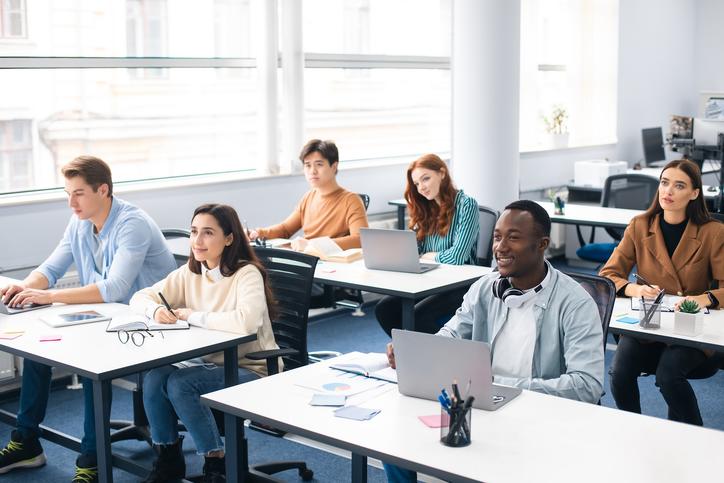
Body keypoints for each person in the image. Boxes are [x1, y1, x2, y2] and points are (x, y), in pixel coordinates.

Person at [384, 200, 604, 483]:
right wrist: (417, 354)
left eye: (513, 237)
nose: (500, 246)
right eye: (497, 236)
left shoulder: (574, 303)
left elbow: (587, 385)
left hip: (541, 417)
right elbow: (451, 335)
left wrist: (501, 387)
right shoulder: (485, 288)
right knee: (396, 447)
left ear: (542, 244)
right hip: (483, 407)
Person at [0, 155, 176, 482]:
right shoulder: (79, 222)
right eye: (67, 193)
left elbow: (116, 287)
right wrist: (21, 288)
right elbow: (50, 269)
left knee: (92, 363)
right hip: (106, 319)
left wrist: (48, 296)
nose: (71, 202)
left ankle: (91, 458)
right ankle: (27, 442)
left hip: (149, 325)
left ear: (103, 190)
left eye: (78, 193)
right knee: (38, 350)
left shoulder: (131, 223)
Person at [130, 203, 279, 483]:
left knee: (180, 383)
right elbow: (140, 297)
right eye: (194, 231)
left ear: (229, 238)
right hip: (207, 364)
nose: (197, 241)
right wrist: (155, 311)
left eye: (208, 233)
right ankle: (168, 459)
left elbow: (245, 322)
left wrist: (192, 315)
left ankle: (216, 463)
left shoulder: (246, 274)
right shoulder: (191, 273)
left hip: (253, 368)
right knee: (154, 378)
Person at [600, 159, 723, 426]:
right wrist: (635, 289)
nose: (668, 191)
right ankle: (635, 430)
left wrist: (704, 298)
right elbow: (608, 276)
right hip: (650, 326)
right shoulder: (640, 225)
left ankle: (697, 437)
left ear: (694, 193)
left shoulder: (713, 232)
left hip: (690, 329)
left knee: (668, 376)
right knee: (619, 373)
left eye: (679, 186)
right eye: (665, 183)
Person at [375, 154, 480, 335]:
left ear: (442, 174)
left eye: (426, 179)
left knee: (417, 316)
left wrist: (429, 256)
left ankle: (440, 353)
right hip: (431, 280)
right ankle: (409, 351)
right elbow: (416, 253)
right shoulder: (427, 208)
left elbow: (457, 257)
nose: (421, 187)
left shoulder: (466, 204)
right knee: (384, 309)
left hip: (461, 284)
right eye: (416, 183)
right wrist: (409, 245)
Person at [249, 139, 368, 252]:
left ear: (334, 166)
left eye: (319, 164)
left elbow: (360, 240)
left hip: (331, 264)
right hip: (306, 259)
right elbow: (285, 229)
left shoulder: (351, 201)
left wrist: (313, 245)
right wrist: (257, 233)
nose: (312, 171)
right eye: (308, 165)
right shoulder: (308, 197)